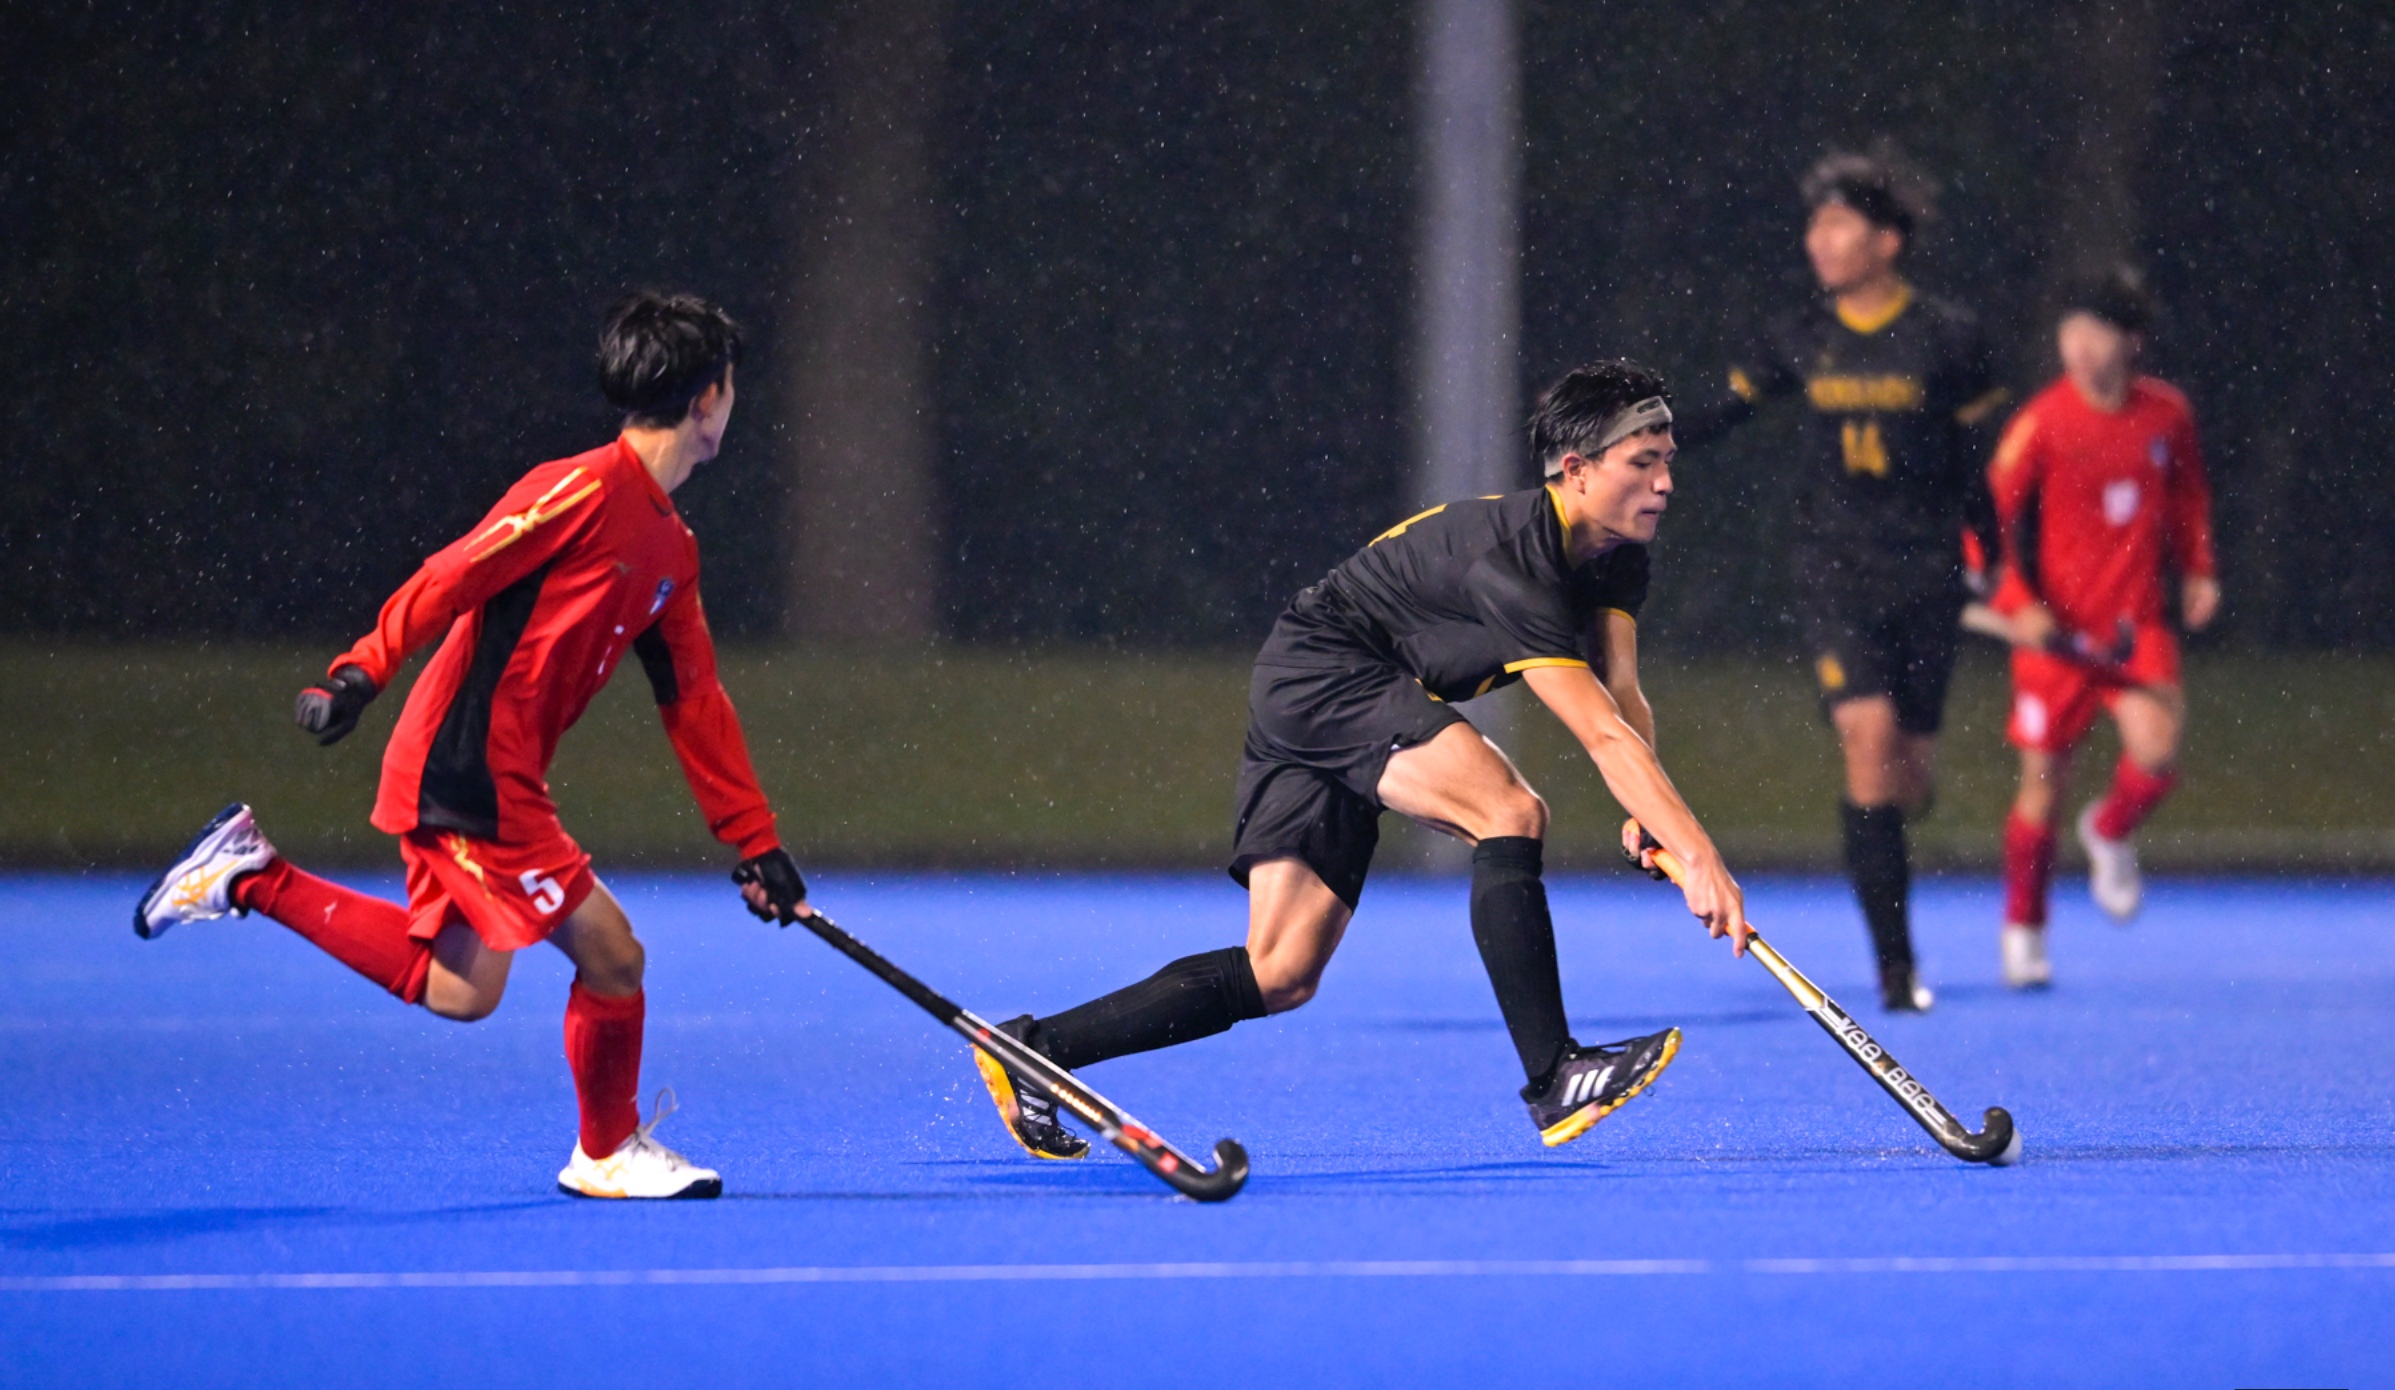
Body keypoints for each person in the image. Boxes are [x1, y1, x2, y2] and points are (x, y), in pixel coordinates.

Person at [962, 360, 1747, 1161]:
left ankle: (1036, 1051)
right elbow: (1599, 735)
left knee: (1280, 972)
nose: (1663, 484)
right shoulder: (1516, 563)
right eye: (1641, 463)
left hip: (1309, 683)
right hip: (1329, 675)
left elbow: (1620, 695)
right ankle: (1555, 1075)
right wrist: (1699, 857)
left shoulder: (1615, 553)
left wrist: (1647, 815)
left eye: (1667, 461)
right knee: (1508, 812)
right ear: (1575, 470)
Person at [133, 292, 811, 1198]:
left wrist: (756, 842)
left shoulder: (671, 551)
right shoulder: (580, 489)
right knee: (614, 957)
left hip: (498, 774)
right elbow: (454, 573)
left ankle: (251, 874)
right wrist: (360, 672)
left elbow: (694, 703)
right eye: (731, 387)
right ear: (708, 398)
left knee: (462, 989)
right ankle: (606, 1152)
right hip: (467, 773)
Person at [1679, 148, 2008, 1011]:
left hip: (1927, 573)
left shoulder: (1948, 337)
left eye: (1837, 224)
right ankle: (1895, 968)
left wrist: (2002, 563)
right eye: (1814, 224)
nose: (1817, 241)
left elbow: (1981, 463)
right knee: (1867, 738)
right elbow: (1722, 409)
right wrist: (1628, 433)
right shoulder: (1801, 334)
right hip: (1835, 569)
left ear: (1886, 241)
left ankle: (1892, 823)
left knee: (1906, 774)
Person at [1986, 268, 2217, 987]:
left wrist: (2199, 568)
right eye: (2070, 332)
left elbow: (2188, 494)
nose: (2080, 347)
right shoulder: (2041, 422)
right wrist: (2017, 602)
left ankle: (2109, 830)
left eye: (2097, 332)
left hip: (2134, 625)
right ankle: (2024, 931)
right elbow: (1985, 525)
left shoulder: (2167, 414)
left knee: (2157, 750)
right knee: (2042, 787)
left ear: (2132, 341)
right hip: (2055, 638)